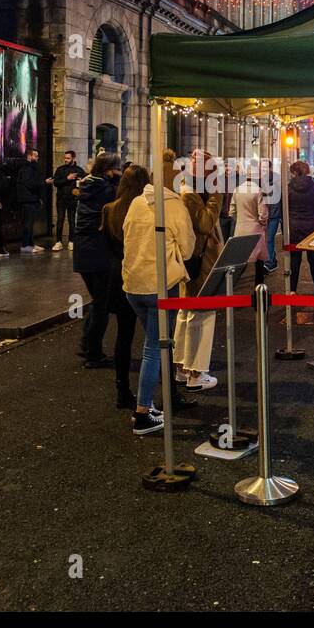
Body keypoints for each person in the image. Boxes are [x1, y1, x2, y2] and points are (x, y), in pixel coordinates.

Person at [122, 163, 196, 436]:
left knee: (156, 346)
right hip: (161, 286)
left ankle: (155, 403)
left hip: (132, 286)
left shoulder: (137, 203)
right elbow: (188, 250)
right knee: (154, 349)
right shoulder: (174, 207)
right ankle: (142, 413)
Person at [174, 149, 220, 392]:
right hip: (199, 262)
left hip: (194, 259)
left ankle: (182, 368)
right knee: (201, 316)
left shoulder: (190, 187)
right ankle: (196, 372)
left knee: (187, 313)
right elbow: (204, 224)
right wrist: (216, 197)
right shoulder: (190, 193)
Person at [101, 165, 147, 410]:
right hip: (143, 273)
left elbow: (106, 246)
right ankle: (160, 389)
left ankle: (122, 389)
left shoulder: (109, 210)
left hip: (119, 275)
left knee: (124, 335)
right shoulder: (146, 209)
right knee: (156, 335)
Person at [73, 153, 123, 368]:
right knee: (102, 303)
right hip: (98, 250)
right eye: (117, 168)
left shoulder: (88, 185)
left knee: (97, 300)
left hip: (83, 251)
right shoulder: (105, 189)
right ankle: (93, 354)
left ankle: (87, 344)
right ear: (109, 169)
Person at [286, 160, 314, 294]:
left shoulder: (288, 188)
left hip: (294, 227)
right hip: (312, 227)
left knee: (295, 260)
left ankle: (292, 290)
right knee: (313, 259)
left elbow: (283, 209)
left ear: (295, 172)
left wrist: (285, 224)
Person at [230, 160, 270, 289]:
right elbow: (263, 214)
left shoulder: (237, 190)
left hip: (240, 229)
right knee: (258, 262)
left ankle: (231, 286)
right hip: (255, 230)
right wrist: (261, 222)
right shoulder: (258, 191)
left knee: (239, 261)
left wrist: (240, 220)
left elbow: (232, 211)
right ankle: (258, 289)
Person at [50, 149, 83, 252]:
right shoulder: (60, 169)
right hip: (61, 199)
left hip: (72, 199)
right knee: (60, 220)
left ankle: (71, 242)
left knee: (72, 220)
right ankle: (58, 242)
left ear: (73, 158)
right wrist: (67, 178)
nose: (66, 160)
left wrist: (80, 182)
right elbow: (55, 182)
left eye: (68, 158)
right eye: (65, 158)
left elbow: (84, 182)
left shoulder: (79, 170)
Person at [17, 148, 45, 253]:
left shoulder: (31, 168)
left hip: (32, 199)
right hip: (27, 200)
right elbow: (29, 184)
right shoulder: (26, 169)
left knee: (30, 223)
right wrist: (44, 182)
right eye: (35, 156)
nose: (37, 158)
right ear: (29, 156)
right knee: (27, 223)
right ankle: (25, 245)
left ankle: (30, 244)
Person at [262, 159, 282, 271]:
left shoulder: (277, 179)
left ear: (270, 167)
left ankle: (269, 263)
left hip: (274, 214)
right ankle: (272, 260)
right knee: (266, 239)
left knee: (269, 239)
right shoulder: (259, 180)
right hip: (263, 213)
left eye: (265, 167)